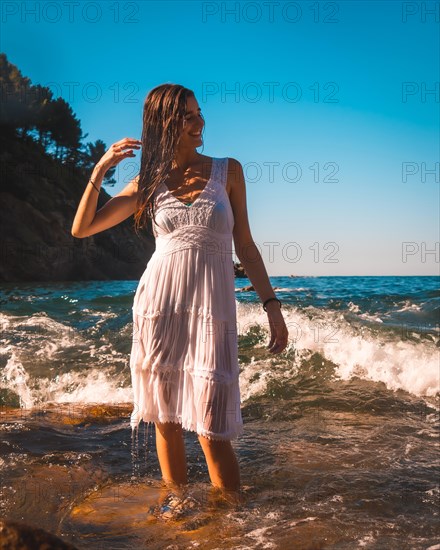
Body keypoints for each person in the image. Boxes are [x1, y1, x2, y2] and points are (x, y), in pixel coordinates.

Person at [71, 84, 289, 503]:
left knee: (212, 428)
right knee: (166, 422)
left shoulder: (229, 171)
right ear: (164, 124)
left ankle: (230, 521)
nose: (200, 122)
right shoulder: (147, 184)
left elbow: (245, 244)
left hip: (212, 311)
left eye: (199, 113)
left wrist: (271, 305)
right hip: (159, 307)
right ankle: (177, 512)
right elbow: (82, 228)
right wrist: (98, 171)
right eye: (188, 116)